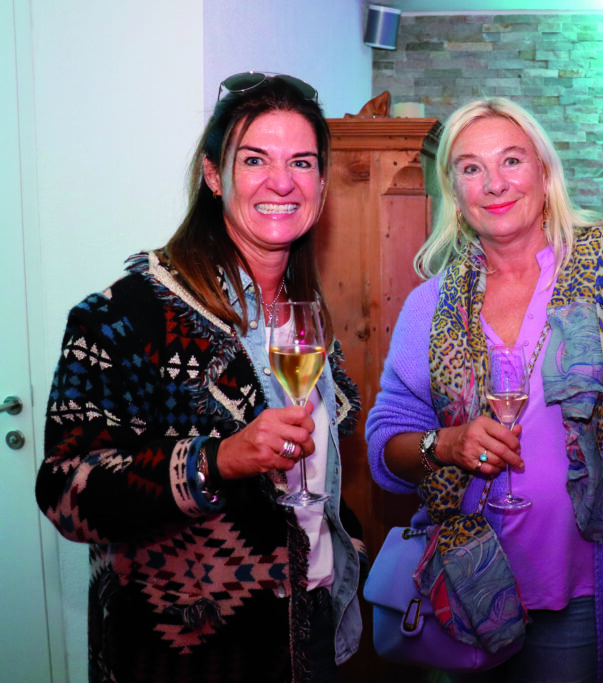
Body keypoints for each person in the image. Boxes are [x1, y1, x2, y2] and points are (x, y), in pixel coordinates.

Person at [36, 72, 364, 683]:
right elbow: (64, 492)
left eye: (301, 161)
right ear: (214, 175)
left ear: (321, 183)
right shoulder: (121, 316)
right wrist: (213, 461)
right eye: (255, 160)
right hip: (190, 657)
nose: (282, 181)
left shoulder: (302, 315)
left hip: (311, 630)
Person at [364, 97, 603, 683]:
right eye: (470, 168)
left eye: (511, 160)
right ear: (455, 193)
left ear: (544, 171)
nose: (494, 183)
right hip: (457, 588)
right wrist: (448, 443)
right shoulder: (428, 306)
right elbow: (386, 443)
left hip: (574, 590)